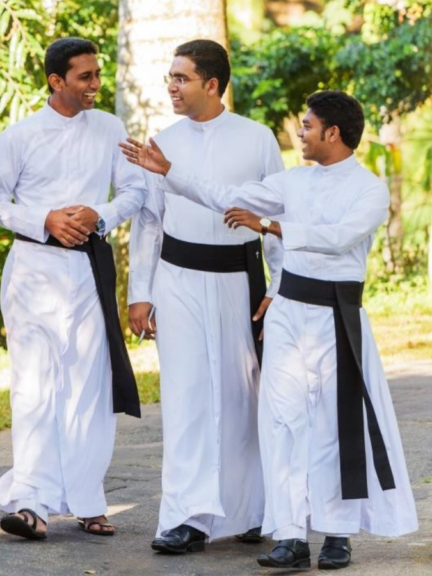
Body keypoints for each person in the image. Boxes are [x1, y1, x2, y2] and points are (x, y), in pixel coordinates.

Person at [121, 90, 418, 570]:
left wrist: (274, 227)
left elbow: (339, 237)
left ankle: (337, 535)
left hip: (337, 317)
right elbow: (226, 194)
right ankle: (290, 535)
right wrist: (169, 172)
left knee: (331, 426)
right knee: (281, 424)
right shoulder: (293, 183)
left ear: (332, 133)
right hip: (288, 313)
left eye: (306, 125)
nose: (299, 133)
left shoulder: (369, 189)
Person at [126, 39, 284, 555]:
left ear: (212, 84)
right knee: (188, 395)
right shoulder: (161, 142)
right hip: (178, 279)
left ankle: (254, 510)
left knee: (245, 396)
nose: (171, 86)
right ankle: (186, 516)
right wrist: (140, 293)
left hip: (242, 281)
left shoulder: (257, 139)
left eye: (181, 78)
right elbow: (149, 222)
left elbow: (277, 220)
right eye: (170, 77)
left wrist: (280, 288)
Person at [0, 37, 147, 541]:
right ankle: (31, 501)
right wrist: (46, 219)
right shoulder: (20, 135)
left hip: (88, 272)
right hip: (33, 269)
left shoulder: (110, 128)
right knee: (34, 388)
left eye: (98, 74)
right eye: (85, 77)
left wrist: (100, 214)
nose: (96, 84)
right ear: (56, 81)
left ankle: (86, 498)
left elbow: (135, 192)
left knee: (88, 389)